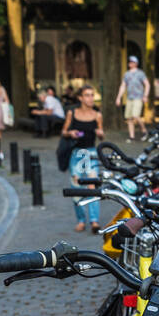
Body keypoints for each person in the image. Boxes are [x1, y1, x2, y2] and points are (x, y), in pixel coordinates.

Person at [61, 85, 104, 233]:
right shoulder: (72, 113)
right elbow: (64, 132)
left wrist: (100, 133)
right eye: (87, 95)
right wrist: (70, 133)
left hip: (91, 153)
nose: (90, 98)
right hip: (77, 154)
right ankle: (80, 220)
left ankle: (94, 221)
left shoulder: (97, 114)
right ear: (80, 98)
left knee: (93, 186)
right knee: (76, 187)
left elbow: (101, 134)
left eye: (92, 95)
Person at [115, 56, 150, 141]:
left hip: (138, 97)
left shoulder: (140, 73)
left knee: (135, 115)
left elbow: (147, 84)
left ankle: (144, 130)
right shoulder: (126, 74)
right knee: (129, 118)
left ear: (136, 63)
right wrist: (119, 97)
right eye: (130, 61)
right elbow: (123, 86)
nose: (131, 63)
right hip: (129, 98)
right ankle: (132, 136)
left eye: (133, 62)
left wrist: (145, 95)